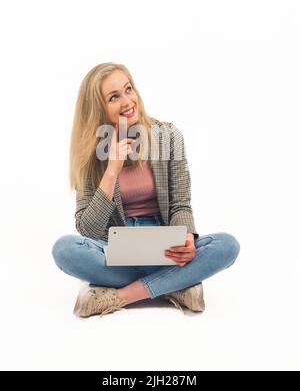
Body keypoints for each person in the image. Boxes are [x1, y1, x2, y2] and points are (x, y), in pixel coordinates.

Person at [52, 62, 240, 317]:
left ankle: (121, 295)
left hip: (162, 248)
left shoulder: (168, 136)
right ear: (99, 108)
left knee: (227, 246)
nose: (127, 101)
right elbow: (88, 229)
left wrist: (186, 236)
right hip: (115, 249)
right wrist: (112, 170)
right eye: (114, 97)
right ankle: (173, 284)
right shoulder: (92, 152)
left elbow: (181, 205)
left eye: (128, 89)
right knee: (64, 250)